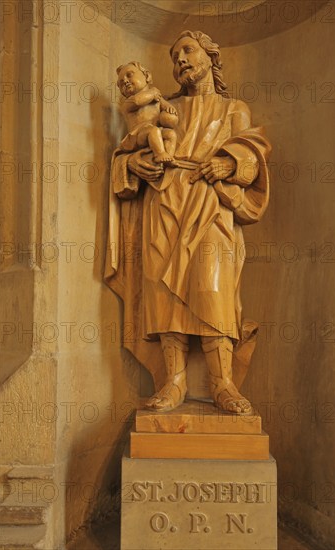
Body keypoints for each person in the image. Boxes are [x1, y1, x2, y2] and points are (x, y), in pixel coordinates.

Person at [105, 30, 271, 415]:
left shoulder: (233, 109)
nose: (180, 59)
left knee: (213, 289)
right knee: (162, 290)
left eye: (187, 50)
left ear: (210, 57)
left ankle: (222, 382)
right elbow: (129, 147)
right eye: (174, 54)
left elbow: (253, 152)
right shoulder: (162, 109)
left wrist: (229, 163)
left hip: (210, 203)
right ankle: (173, 381)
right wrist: (132, 164)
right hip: (163, 199)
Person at [116, 61, 178, 164]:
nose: (126, 81)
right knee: (152, 131)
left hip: (155, 132)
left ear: (147, 76)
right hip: (136, 136)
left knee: (170, 134)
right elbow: (138, 101)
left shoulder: (156, 96)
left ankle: (168, 158)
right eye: (121, 83)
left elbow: (165, 105)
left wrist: (170, 110)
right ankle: (160, 154)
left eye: (129, 75)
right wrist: (152, 93)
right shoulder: (128, 102)